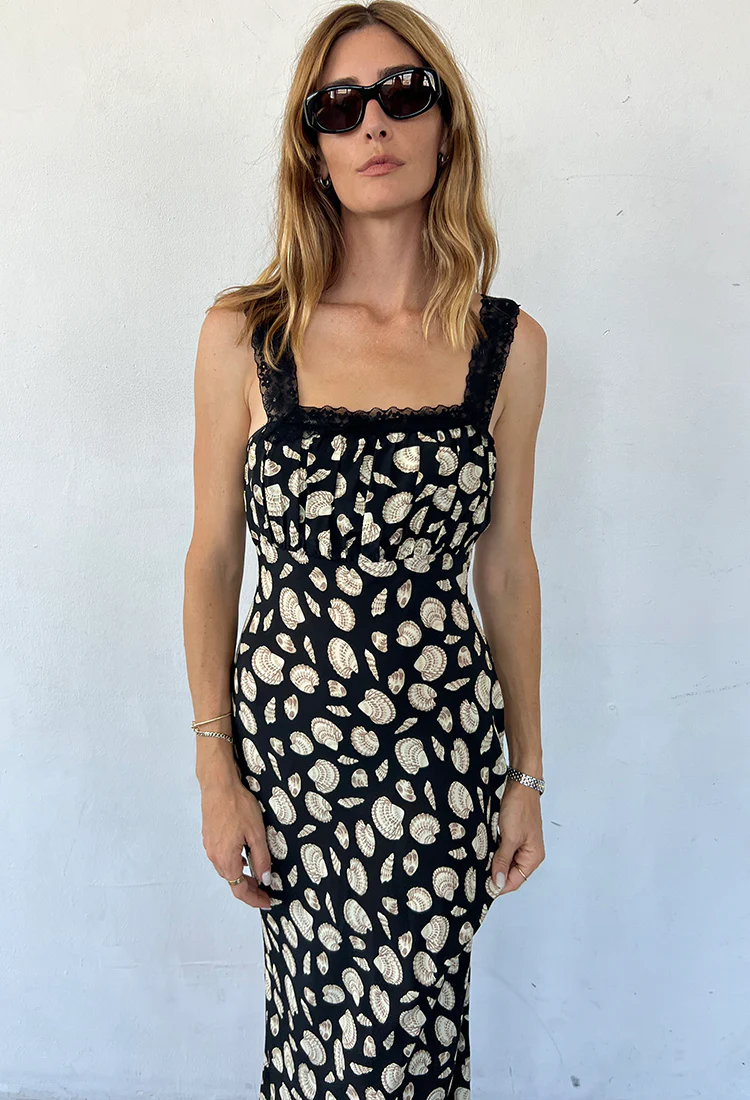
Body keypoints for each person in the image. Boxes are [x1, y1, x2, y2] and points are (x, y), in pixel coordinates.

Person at [183, 2, 547, 1095]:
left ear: (446, 126)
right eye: (338, 106)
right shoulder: (246, 334)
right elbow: (213, 558)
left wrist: (526, 774)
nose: (373, 123)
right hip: (291, 765)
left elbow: (507, 568)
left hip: (440, 763)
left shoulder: (507, 345)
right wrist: (214, 768)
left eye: (403, 93)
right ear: (314, 147)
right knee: (314, 1047)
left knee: (412, 1049)